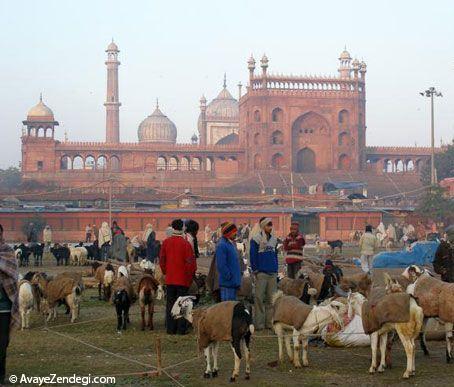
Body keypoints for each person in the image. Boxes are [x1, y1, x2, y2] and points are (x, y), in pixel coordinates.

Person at [159, 219, 196, 335]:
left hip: (170, 279)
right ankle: (181, 329)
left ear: (173, 228)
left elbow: (162, 261)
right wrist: (189, 278)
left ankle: (170, 329)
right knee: (183, 305)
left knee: (170, 304)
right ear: (183, 228)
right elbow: (191, 264)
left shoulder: (166, 242)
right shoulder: (186, 244)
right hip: (183, 280)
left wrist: (166, 272)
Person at [250, 217, 278, 330]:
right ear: (262, 226)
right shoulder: (256, 239)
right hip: (261, 272)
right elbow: (253, 255)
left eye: (271, 225)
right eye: (268, 225)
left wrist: (276, 268)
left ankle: (269, 323)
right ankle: (259, 324)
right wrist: (255, 269)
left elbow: (275, 254)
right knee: (259, 298)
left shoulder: (274, 240)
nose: (270, 228)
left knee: (271, 300)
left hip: (272, 273)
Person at [0, 224, 19, 385]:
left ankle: (1, 375)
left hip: (4, 307)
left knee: (2, 343)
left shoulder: (7, 252)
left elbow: (12, 273)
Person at [216, 222, 241, 301]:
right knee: (227, 310)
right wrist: (229, 276)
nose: (236, 234)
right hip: (227, 284)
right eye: (234, 232)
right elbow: (221, 265)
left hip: (233, 283)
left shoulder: (231, 244)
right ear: (228, 233)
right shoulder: (222, 245)